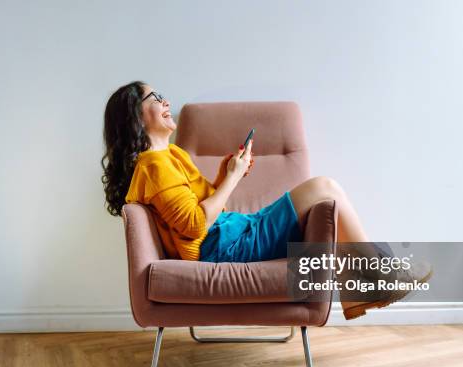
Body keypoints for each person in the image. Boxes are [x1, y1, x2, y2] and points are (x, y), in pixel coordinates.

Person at [101, 81, 432, 320]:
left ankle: (366, 288)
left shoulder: (171, 155)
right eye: (155, 97)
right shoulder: (153, 165)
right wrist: (231, 179)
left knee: (328, 196)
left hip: (232, 233)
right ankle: (375, 281)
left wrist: (226, 172)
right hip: (222, 247)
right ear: (136, 116)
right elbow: (196, 224)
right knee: (325, 187)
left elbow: (206, 206)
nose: (165, 101)